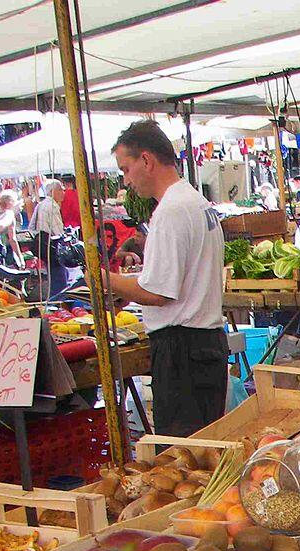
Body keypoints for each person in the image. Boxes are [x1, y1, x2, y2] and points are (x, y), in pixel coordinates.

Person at [106, 120, 227, 437]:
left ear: (146, 160)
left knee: (182, 455)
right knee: (204, 450)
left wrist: (106, 280)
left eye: (126, 169)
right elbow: (184, 270)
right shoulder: (196, 202)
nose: (126, 180)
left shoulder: (171, 211)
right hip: (204, 344)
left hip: (182, 350)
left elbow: (159, 293)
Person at [29, 180, 69, 297]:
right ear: (52, 192)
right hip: (53, 247)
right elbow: (58, 231)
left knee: (54, 278)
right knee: (60, 280)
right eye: (61, 189)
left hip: (44, 246)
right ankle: (57, 304)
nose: (64, 192)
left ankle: (54, 303)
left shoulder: (41, 204)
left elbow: (32, 226)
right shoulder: (52, 206)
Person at [0, 190, 25, 268]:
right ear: (10, 203)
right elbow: (12, 239)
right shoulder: (9, 216)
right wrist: (20, 257)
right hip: (7, 250)